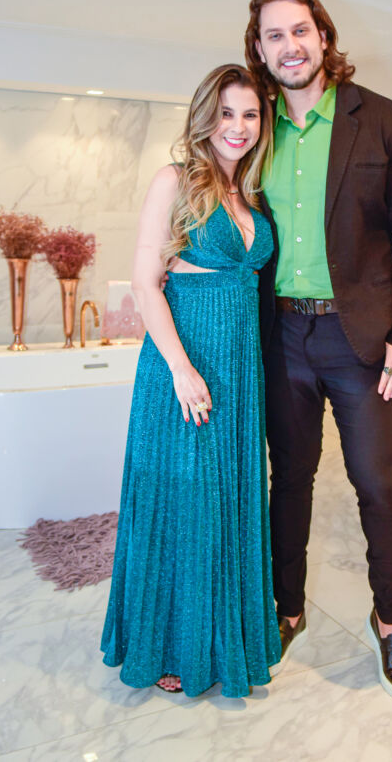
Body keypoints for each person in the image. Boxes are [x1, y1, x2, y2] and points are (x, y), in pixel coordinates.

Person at [244, 0, 392, 701]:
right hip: (279, 335)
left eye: (300, 30)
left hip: (362, 340)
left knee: (379, 484)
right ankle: (286, 609)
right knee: (289, 479)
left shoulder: (383, 120)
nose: (289, 46)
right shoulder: (253, 128)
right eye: (274, 35)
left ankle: (390, 622)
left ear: (323, 36)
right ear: (259, 48)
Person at [101, 64, 281, 697]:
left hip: (239, 371)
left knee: (228, 500)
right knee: (183, 503)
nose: (239, 126)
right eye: (227, 113)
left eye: (250, 114)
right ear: (206, 116)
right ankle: (171, 644)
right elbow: (146, 284)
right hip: (183, 364)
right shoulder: (174, 181)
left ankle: (225, 641)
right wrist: (181, 369)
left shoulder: (252, 194)